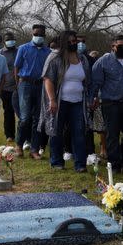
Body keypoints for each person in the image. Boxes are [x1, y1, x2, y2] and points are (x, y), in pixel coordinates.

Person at [90, 35, 123, 174]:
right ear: (113, 46)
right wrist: (93, 98)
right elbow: (96, 82)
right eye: (120, 46)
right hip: (110, 104)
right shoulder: (103, 62)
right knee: (112, 135)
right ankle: (114, 165)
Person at [39, 30, 91, 172]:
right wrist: (52, 100)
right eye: (70, 42)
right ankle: (56, 161)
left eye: (75, 41)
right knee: (57, 131)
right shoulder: (55, 58)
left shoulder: (83, 59)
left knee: (79, 133)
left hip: (78, 102)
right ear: (63, 43)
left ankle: (80, 164)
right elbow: (48, 79)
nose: (74, 43)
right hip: (60, 101)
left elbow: (87, 81)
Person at [14, 24, 51, 158]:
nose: (38, 37)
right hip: (25, 84)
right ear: (32, 34)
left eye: (41, 35)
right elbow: (16, 67)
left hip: (41, 85)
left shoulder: (48, 52)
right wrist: (18, 85)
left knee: (38, 118)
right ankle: (19, 144)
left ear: (44, 36)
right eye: (36, 34)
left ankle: (34, 149)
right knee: (25, 118)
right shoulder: (23, 48)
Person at [0, 32, 19, 143]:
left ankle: (24, 137)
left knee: (22, 113)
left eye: (12, 39)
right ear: (4, 41)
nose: (10, 41)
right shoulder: (0, 53)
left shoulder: (19, 51)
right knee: (8, 112)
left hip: (19, 87)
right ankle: (9, 135)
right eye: (8, 39)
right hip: (5, 88)